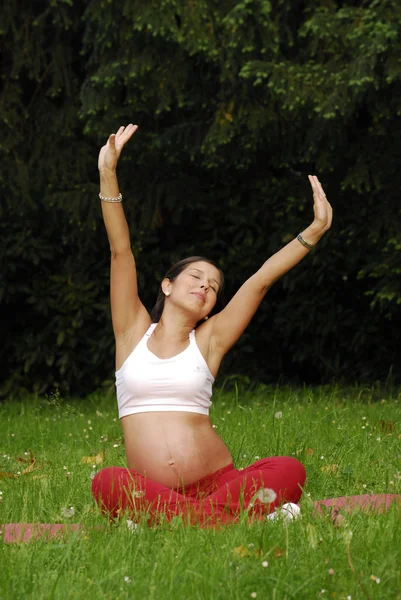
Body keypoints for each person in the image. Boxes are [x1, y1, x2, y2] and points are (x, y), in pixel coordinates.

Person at [91, 124, 333, 528]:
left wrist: (313, 231)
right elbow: (120, 251)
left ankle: (173, 521)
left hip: (220, 483)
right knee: (108, 482)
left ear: (210, 310)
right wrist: (108, 174)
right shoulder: (131, 331)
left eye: (214, 285)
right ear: (167, 286)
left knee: (288, 468)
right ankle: (232, 519)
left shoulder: (209, 341)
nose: (205, 284)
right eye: (195, 276)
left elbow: (260, 281)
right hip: (155, 489)